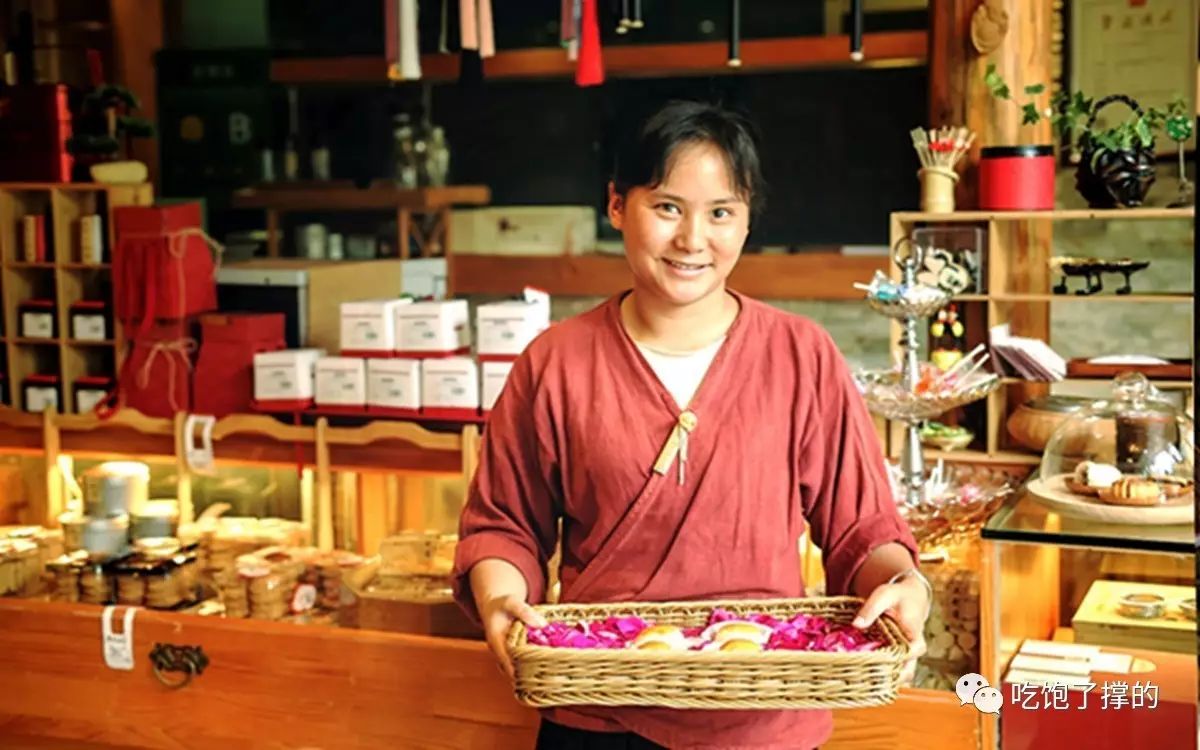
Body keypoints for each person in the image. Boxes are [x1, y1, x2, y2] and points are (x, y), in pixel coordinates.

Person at [452, 100, 930, 750]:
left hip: (766, 714)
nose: (692, 240)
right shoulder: (555, 362)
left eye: (721, 213)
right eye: (668, 207)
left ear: (747, 218)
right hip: (597, 709)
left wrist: (903, 585)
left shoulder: (802, 355)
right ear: (618, 205)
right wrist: (499, 600)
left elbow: (860, 528)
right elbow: (505, 526)